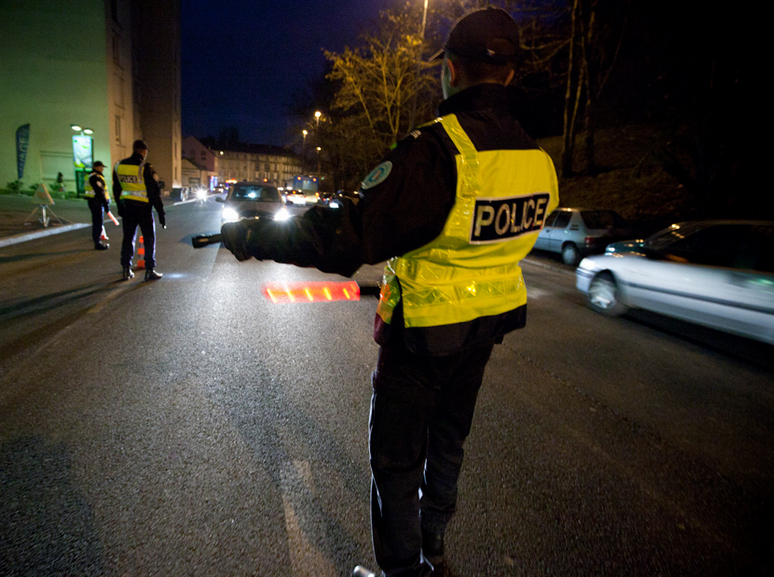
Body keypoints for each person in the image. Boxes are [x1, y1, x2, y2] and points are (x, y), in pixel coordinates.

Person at [221, 7, 558, 576]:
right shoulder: (538, 160)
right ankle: (435, 550)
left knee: (397, 463)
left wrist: (253, 236)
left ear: (450, 70)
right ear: (509, 75)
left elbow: (347, 235)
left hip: (422, 337)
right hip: (484, 332)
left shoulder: (437, 152)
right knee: (448, 446)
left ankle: (401, 570)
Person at [113, 139, 166, 281]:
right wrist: (161, 214)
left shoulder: (119, 166)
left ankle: (125, 269)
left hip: (127, 208)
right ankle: (149, 270)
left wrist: (119, 206)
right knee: (148, 239)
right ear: (143, 152)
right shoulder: (144, 168)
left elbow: (116, 189)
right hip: (143, 209)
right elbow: (154, 193)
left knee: (128, 238)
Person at [84, 161, 110, 250]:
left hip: (93, 201)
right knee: (98, 223)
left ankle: (96, 240)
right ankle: (97, 243)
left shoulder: (90, 176)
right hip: (96, 202)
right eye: (101, 167)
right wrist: (106, 204)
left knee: (97, 222)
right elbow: (100, 191)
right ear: (96, 167)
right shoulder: (95, 177)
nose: (102, 169)